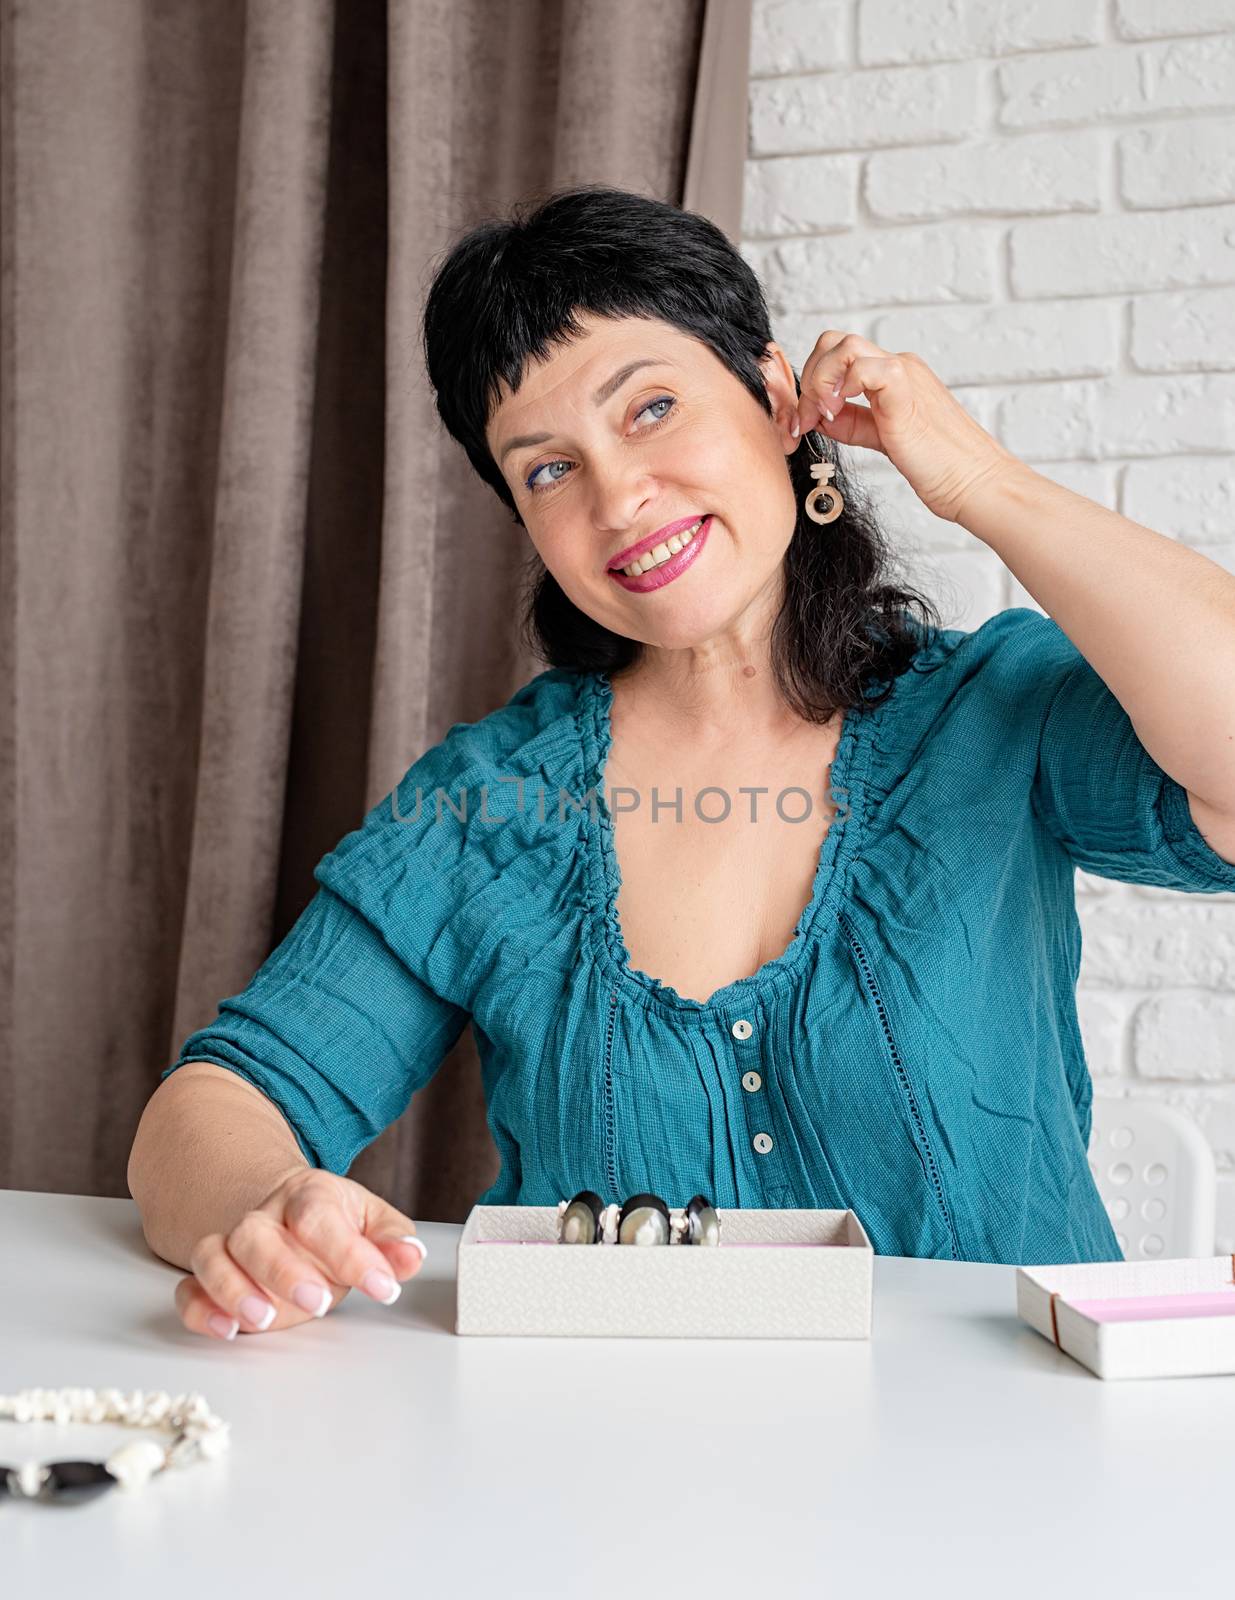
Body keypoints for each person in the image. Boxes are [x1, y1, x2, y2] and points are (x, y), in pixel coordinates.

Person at [129, 184, 1235, 1341]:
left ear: (772, 397)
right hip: (611, 1481)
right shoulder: (487, 801)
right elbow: (216, 1103)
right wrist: (271, 1202)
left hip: (1011, 1481)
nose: (617, 495)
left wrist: (980, 485)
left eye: (649, 408)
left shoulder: (988, 715)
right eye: (547, 470)